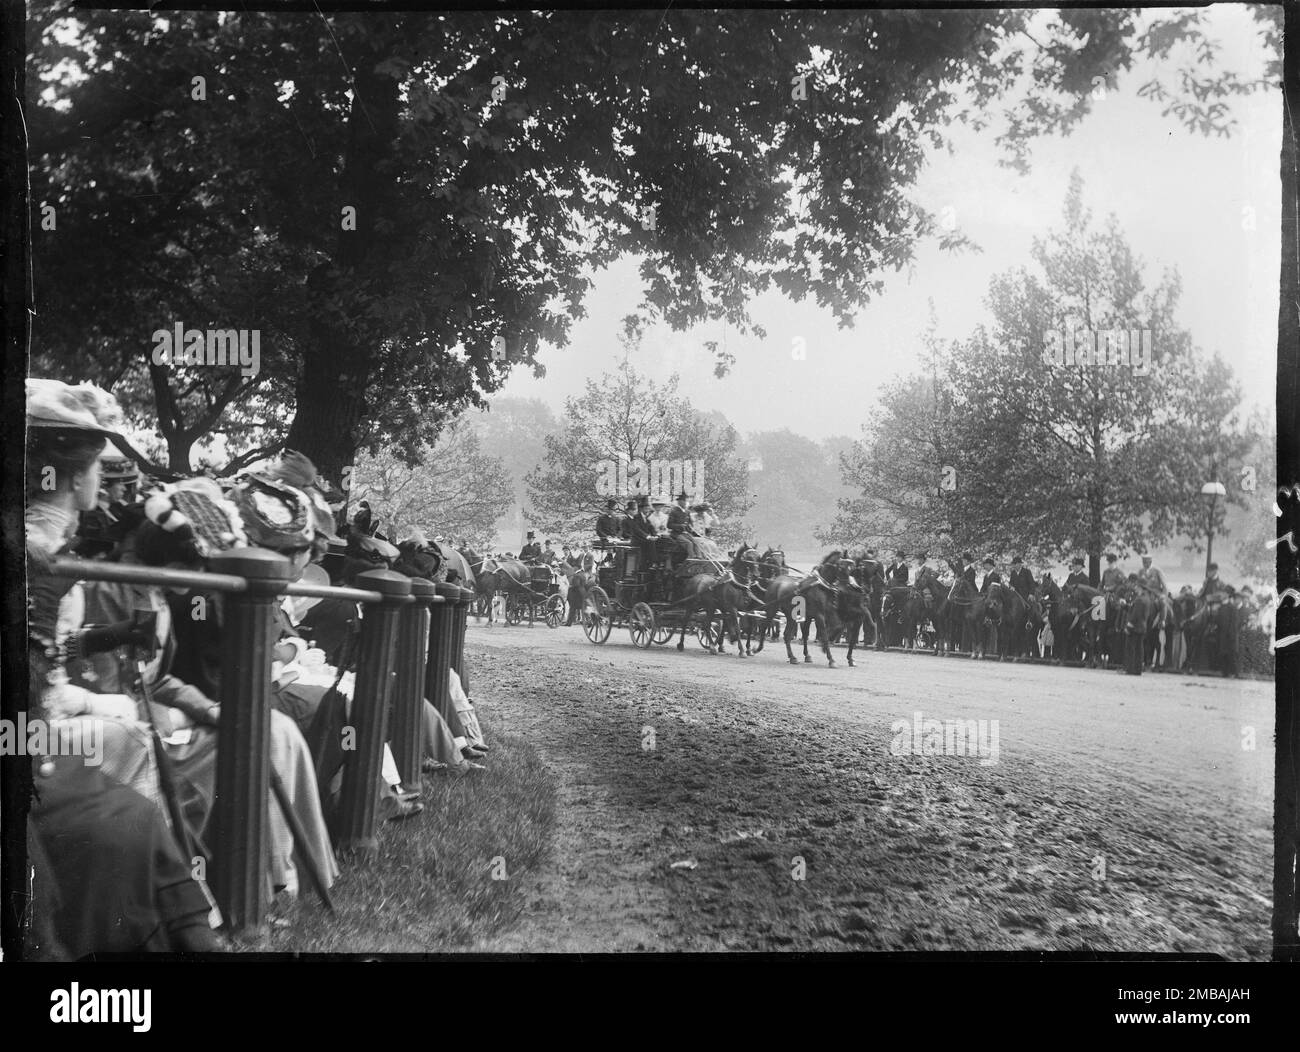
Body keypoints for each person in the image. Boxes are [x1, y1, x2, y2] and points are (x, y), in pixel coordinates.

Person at [24, 378, 218, 958]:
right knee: (129, 739)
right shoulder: (44, 561)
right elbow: (38, 691)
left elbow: (52, 654)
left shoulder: (52, 555)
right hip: (31, 740)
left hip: (37, 723)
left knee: (128, 731)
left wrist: (109, 640)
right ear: (81, 480)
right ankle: (155, 912)